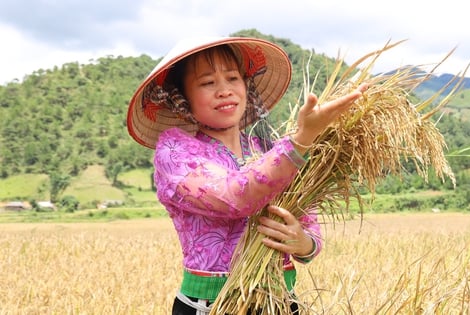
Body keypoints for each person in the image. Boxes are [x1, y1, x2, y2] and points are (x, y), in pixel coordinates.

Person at [127, 36, 367, 314]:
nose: (224, 91)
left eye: (232, 78)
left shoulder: (269, 149)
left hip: (281, 303)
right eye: (207, 83)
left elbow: (308, 222)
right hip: (211, 307)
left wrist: (303, 243)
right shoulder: (174, 152)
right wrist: (302, 140)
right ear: (182, 99)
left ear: (245, 85)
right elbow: (235, 196)